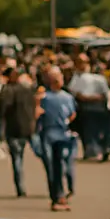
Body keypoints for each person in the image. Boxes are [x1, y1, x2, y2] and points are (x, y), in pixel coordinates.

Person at [35, 66, 76, 211]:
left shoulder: (67, 97)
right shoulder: (44, 97)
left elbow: (72, 113)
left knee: (64, 165)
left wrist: (67, 122)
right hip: (48, 134)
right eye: (55, 77)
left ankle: (65, 192)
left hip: (63, 134)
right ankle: (57, 197)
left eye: (60, 77)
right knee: (51, 167)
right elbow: (37, 114)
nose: (59, 80)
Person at [0, 66, 38, 197]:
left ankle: (20, 188)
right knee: (42, 155)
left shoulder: (8, 90)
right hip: (28, 127)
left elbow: (2, 110)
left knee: (17, 159)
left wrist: (1, 131)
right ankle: (54, 183)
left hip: (13, 128)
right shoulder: (27, 89)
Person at [69, 55, 110, 160]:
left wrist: (92, 98)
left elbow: (105, 94)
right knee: (88, 131)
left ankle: (102, 149)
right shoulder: (77, 77)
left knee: (99, 131)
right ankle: (92, 151)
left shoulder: (99, 78)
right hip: (85, 109)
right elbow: (75, 92)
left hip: (99, 108)